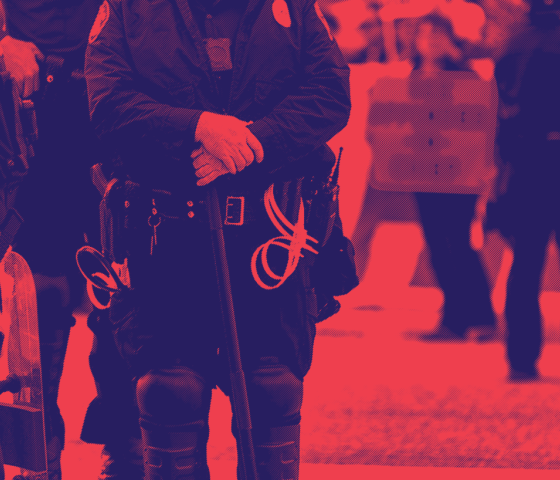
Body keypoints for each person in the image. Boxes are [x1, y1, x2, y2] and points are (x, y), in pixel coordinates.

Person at [85, 1, 351, 479]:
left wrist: (255, 143)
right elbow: (107, 103)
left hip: (268, 243)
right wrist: (198, 127)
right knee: (170, 390)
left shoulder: (294, 8)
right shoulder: (128, 9)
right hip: (161, 243)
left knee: (271, 388)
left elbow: (330, 94)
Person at [408, 14, 497, 342]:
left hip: (460, 177)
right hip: (422, 175)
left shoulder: (467, 76)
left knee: (458, 243)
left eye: (437, 33)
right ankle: (454, 318)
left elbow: (480, 122)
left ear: (450, 38)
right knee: (436, 246)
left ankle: (481, 316)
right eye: (425, 33)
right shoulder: (410, 77)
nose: (430, 39)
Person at [493, 0, 560, 381]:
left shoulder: (511, 40)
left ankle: (520, 357)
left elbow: (498, 107)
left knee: (525, 263)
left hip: (523, 163)